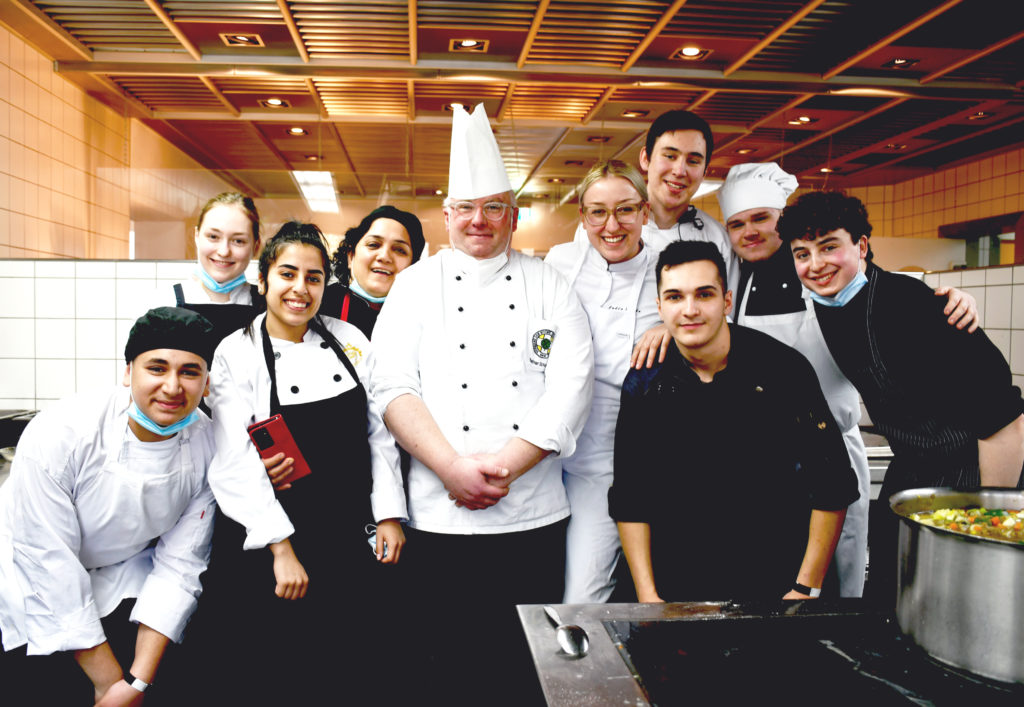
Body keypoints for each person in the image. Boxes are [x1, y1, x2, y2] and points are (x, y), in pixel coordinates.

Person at [370, 103, 594, 705]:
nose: (479, 220)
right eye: (466, 208)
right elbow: (390, 386)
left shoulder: (550, 282)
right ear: (446, 216)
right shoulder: (415, 285)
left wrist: (505, 467)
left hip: (533, 517)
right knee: (438, 666)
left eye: (493, 206)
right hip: (436, 520)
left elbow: (572, 388)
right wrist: (450, 468)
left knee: (523, 670)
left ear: (513, 216)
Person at [716, 163, 981, 598]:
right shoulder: (736, 285)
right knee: (776, 580)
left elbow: (882, 291)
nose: (750, 232)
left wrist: (950, 300)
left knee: (843, 582)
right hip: (765, 462)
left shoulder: (826, 280)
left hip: (833, 454)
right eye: (737, 224)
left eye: (761, 219)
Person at [777, 191, 1024, 601]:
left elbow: (1005, 417)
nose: (815, 265)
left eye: (829, 247)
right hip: (912, 470)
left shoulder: (912, 307)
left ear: (861, 245)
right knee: (894, 597)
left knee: (959, 601)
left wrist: (986, 522)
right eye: (802, 253)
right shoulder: (831, 302)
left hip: (969, 475)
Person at [199, 221, 407, 704]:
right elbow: (230, 460)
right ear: (264, 278)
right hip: (274, 537)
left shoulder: (349, 339)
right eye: (287, 274)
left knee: (349, 667)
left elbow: (379, 435)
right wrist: (281, 549)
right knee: (278, 672)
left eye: (313, 278)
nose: (300, 289)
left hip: (345, 536)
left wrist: (389, 516)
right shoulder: (238, 352)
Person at [610, 241, 858, 602]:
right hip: (680, 588)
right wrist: (649, 598)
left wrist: (806, 586)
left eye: (704, 295)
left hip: (776, 584)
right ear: (659, 307)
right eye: (676, 297)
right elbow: (632, 497)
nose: (690, 310)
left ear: (726, 302)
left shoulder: (783, 370)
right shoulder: (646, 385)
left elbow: (832, 483)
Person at [0, 307, 218, 705]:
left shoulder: (207, 444)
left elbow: (181, 564)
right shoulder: (63, 430)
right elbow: (48, 560)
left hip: (121, 577)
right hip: (26, 574)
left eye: (190, 371)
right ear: (127, 372)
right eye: (157, 368)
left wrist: (134, 684)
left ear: (206, 383)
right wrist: (107, 681)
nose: (172, 387)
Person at [545, 159, 660, 603]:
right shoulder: (559, 261)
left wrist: (673, 325)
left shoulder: (666, 275)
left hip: (609, 462)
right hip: (543, 455)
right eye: (598, 212)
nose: (611, 225)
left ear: (645, 214)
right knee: (538, 577)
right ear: (583, 217)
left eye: (625, 210)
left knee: (583, 594)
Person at [152, 192, 265, 345]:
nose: (224, 251)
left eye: (238, 241)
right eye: (213, 237)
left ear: (256, 247)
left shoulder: (268, 307)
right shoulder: (162, 302)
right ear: (197, 237)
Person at [320, 205, 426, 338]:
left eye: (399, 250)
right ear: (351, 256)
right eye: (373, 245)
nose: (384, 256)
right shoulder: (320, 305)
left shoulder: (424, 318)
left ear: (413, 266)